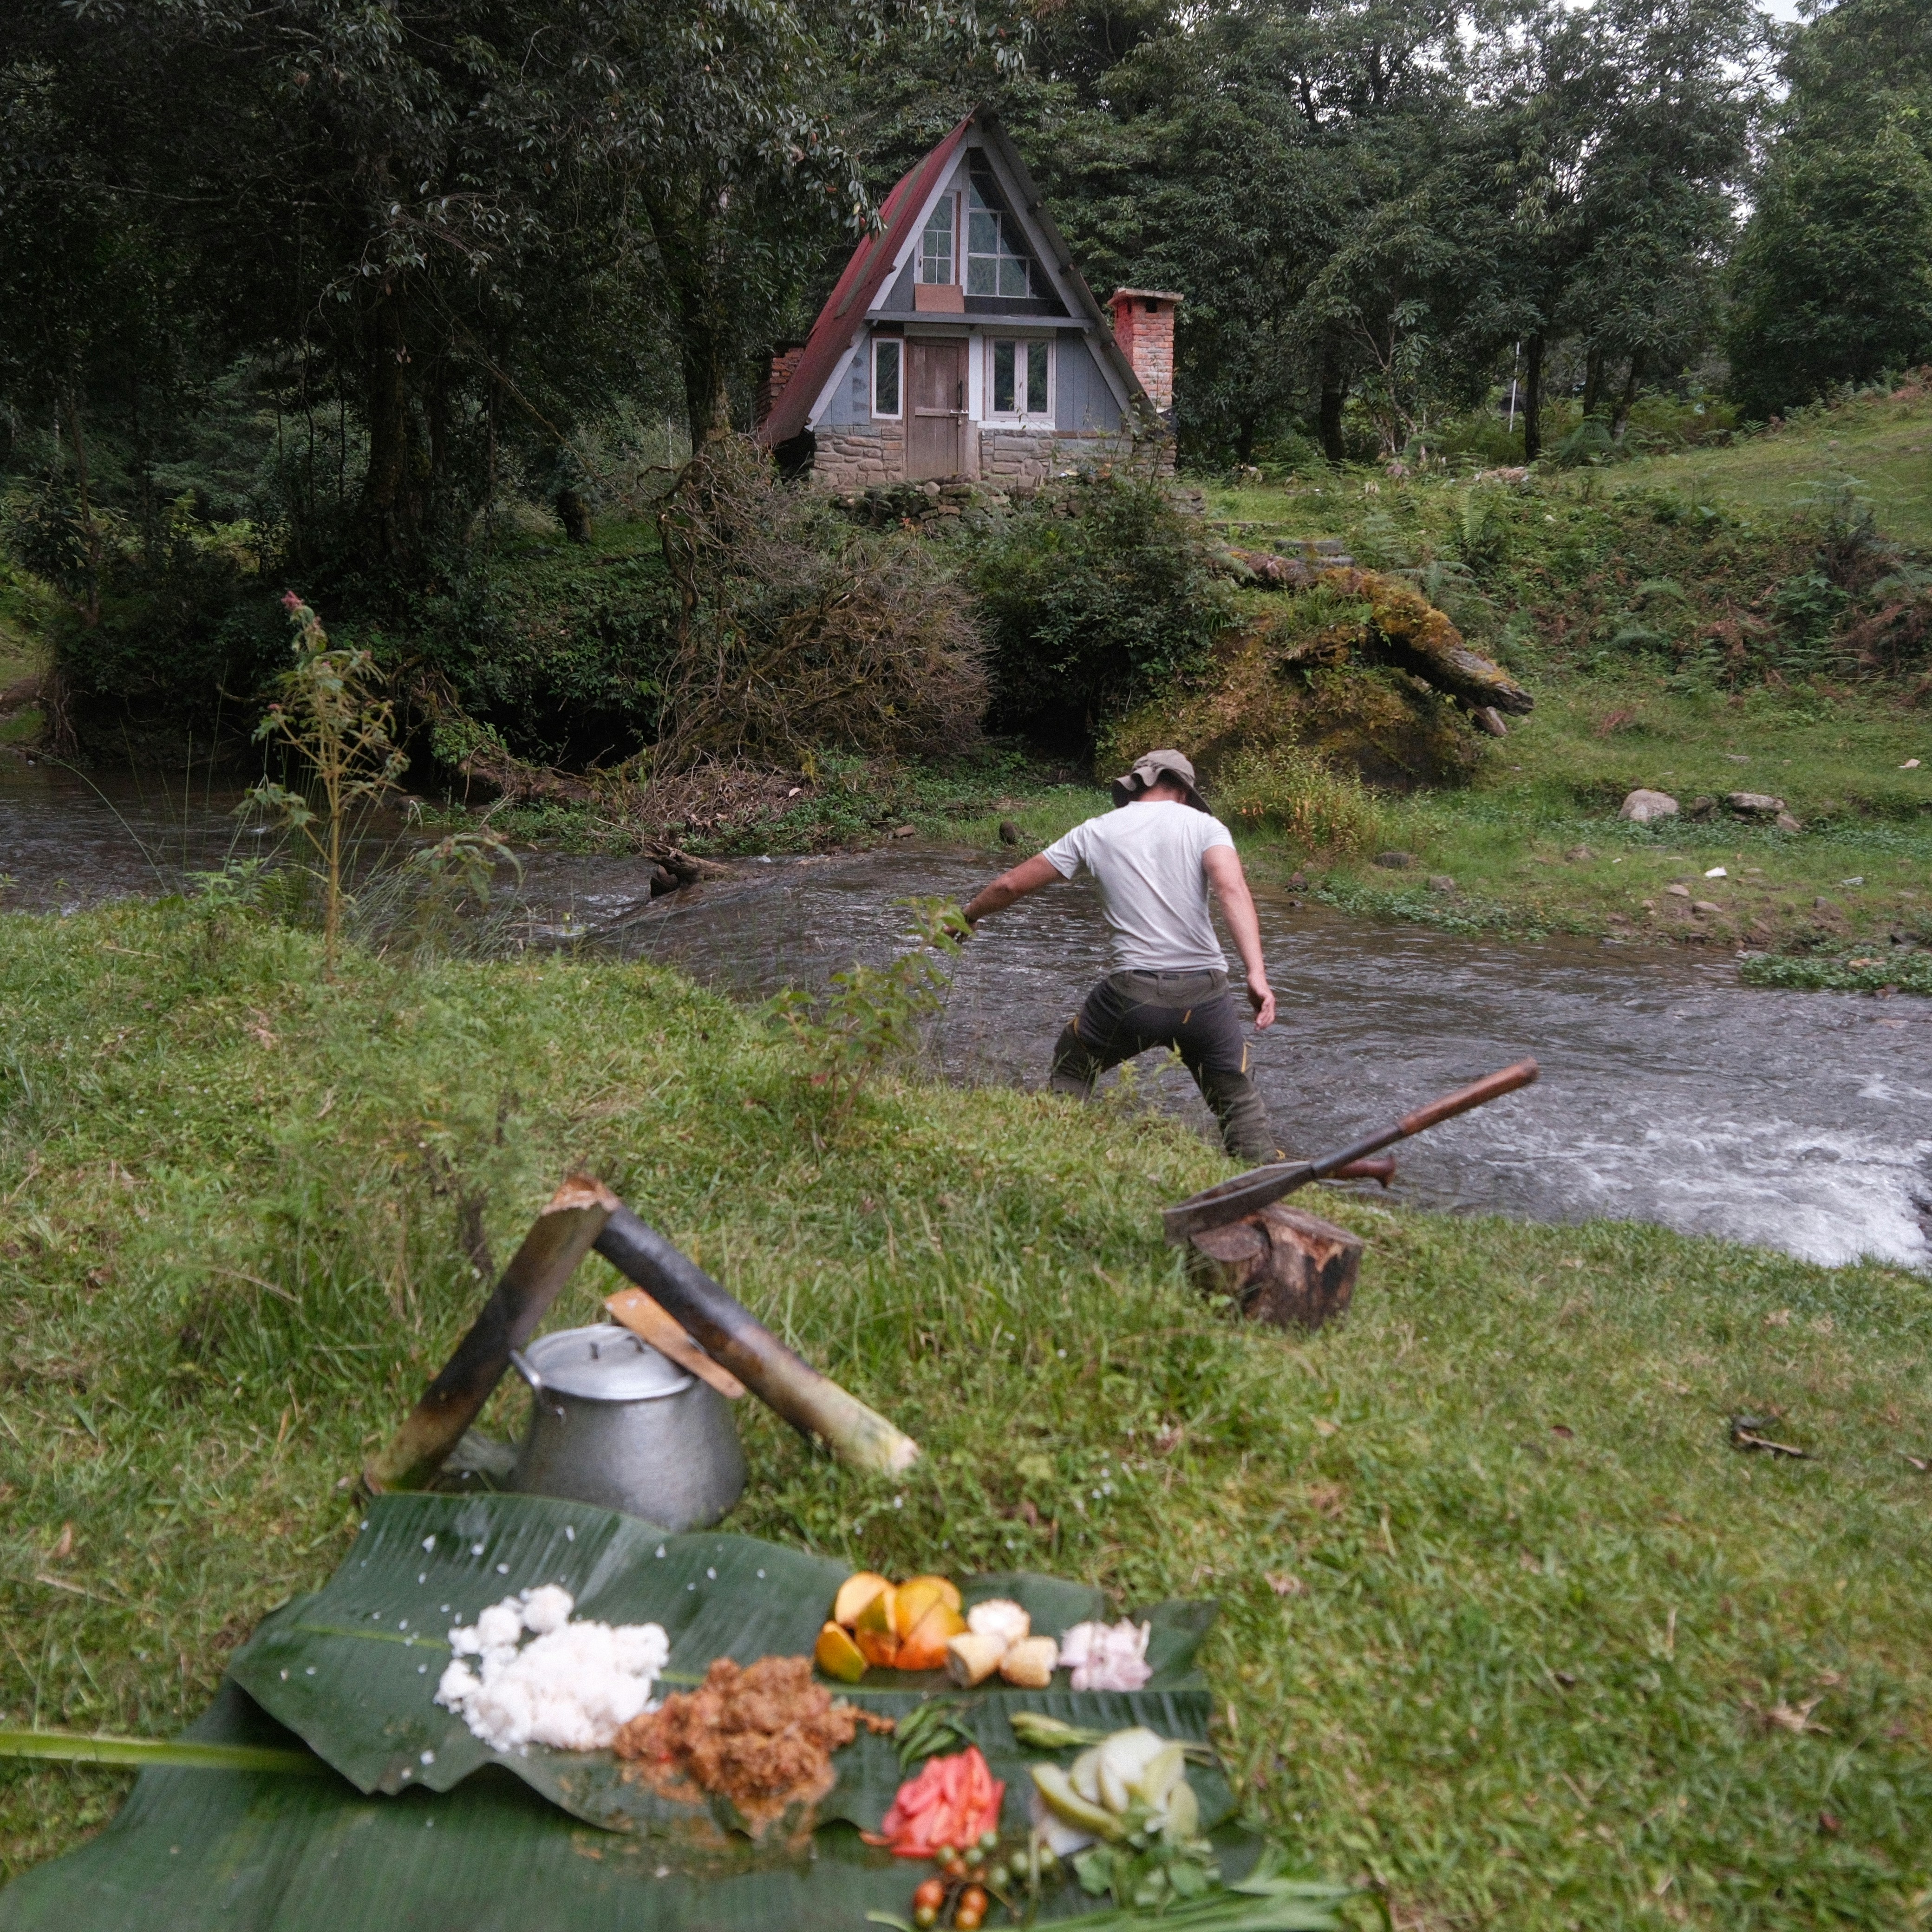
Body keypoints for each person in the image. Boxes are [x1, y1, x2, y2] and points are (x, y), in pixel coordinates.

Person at [960, 749, 1279, 1161]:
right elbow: (1231, 890)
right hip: (1207, 998)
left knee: (1075, 1065)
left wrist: (966, 916)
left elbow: (1010, 886)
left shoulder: (1095, 831)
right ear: (1183, 790)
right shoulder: (1207, 827)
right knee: (1239, 1104)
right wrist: (1256, 973)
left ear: (1138, 783)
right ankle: (1262, 1186)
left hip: (1132, 998)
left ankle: (1055, 1157)